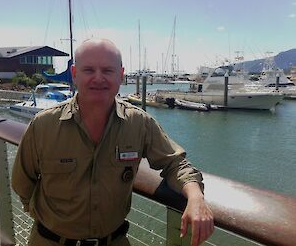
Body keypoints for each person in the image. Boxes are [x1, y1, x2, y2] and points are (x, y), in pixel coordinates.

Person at [12, 39, 214, 246]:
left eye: (107, 70)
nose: (98, 78)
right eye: (89, 70)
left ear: (121, 74)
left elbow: (175, 163)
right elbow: (22, 182)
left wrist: (196, 197)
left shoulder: (139, 123)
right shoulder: (44, 125)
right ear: (74, 74)